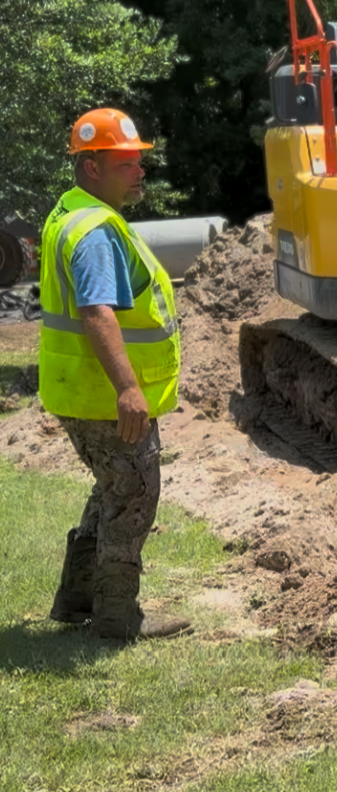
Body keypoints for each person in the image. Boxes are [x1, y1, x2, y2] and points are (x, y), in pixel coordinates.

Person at [40, 108, 189, 641]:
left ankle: (77, 598)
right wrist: (129, 388)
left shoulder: (70, 211)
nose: (139, 170)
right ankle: (116, 616)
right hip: (103, 396)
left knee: (112, 486)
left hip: (76, 391)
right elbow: (97, 311)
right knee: (133, 494)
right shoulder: (97, 231)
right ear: (91, 167)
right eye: (126, 161)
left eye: (138, 160)